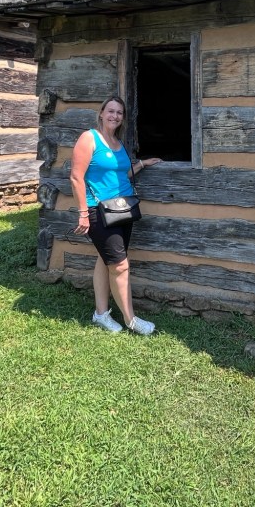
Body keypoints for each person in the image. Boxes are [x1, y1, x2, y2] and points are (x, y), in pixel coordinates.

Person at [70, 95, 162, 335]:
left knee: (106, 259)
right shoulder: (90, 138)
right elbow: (76, 177)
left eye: (119, 112)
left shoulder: (117, 142)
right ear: (101, 113)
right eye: (110, 111)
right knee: (120, 265)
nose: (115, 116)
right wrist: (83, 212)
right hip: (98, 210)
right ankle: (131, 320)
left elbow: (122, 174)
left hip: (122, 209)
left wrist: (141, 164)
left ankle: (101, 314)